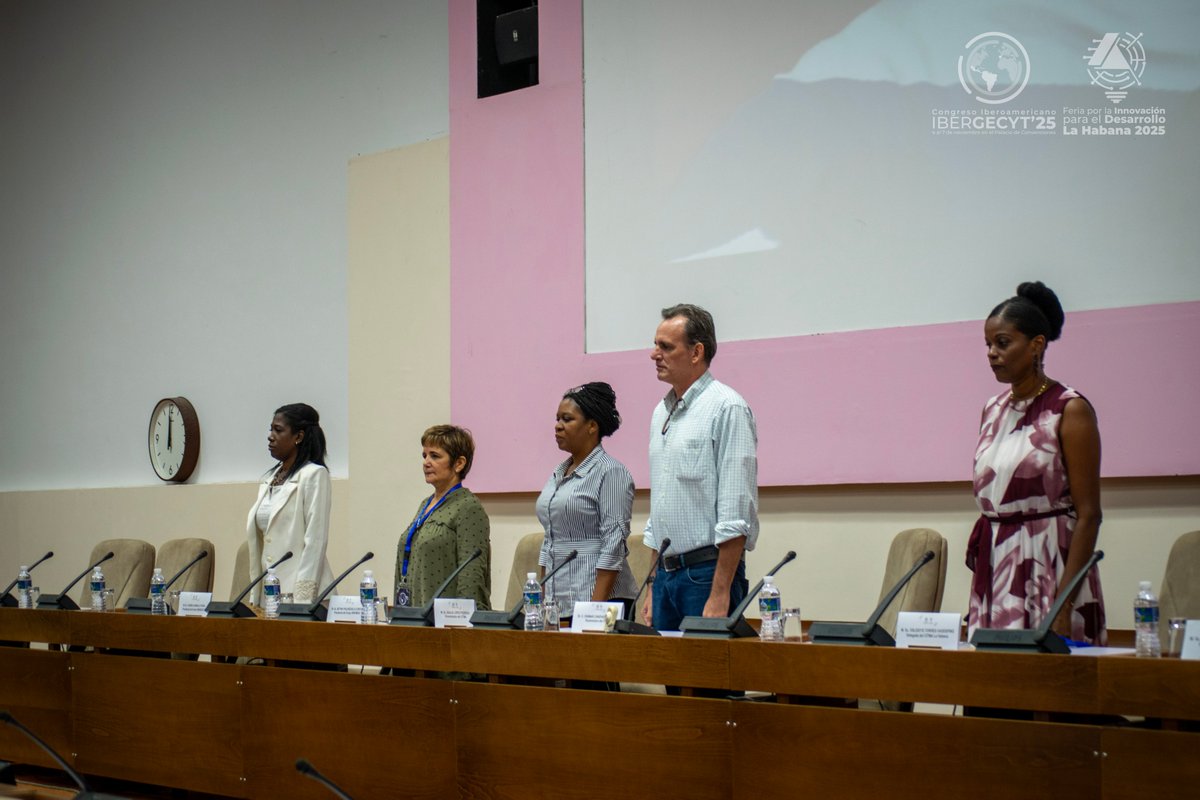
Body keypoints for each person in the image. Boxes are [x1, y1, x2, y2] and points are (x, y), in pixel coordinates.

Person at [967, 281, 1107, 645]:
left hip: (1051, 566)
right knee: (994, 691)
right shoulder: (992, 410)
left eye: (1002, 342)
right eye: (987, 345)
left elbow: (1089, 514)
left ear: (1036, 345)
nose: (992, 354)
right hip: (997, 566)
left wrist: (1063, 604)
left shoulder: (1069, 409)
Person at [641, 303, 759, 631]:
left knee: (710, 681)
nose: (654, 354)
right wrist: (652, 584)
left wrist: (720, 592)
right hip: (666, 576)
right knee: (671, 680)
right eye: (655, 344)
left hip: (705, 575)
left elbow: (736, 511)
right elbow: (660, 507)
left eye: (666, 346)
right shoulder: (659, 413)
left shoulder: (728, 408)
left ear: (696, 352)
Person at [535, 382, 638, 623]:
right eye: (557, 418)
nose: (557, 426)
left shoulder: (611, 472)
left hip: (604, 600)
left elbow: (614, 543)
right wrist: (541, 601)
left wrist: (595, 611)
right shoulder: (558, 473)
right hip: (558, 599)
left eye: (567, 419)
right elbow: (549, 540)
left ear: (592, 426)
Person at [246, 403, 335, 605]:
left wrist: (302, 601)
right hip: (269, 596)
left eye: (278, 430)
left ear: (299, 437)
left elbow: (315, 541)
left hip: (303, 599)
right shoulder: (269, 478)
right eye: (271, 429)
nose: (270, 436)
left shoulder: (314, 475)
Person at [394, 425, 490, 611]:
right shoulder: (425, 504)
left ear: (459, 463)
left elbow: (471, 576)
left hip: (447, 623)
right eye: (424, 455)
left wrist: (462, 625)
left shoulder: (469, 508)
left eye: (435, 456)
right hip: (414, 615)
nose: (426, 462)